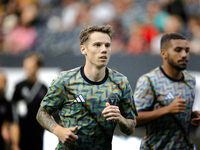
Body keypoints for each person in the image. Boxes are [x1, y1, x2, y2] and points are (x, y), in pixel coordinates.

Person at [36, 24, 137, 150]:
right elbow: (42, 112)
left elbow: (131, 126)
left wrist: (120, 119)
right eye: (97, 45)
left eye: (107, 45)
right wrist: (58, 130)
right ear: (83, 49)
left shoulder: (121, 82)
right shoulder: (65, 81)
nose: (104, 49)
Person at [134, 33, 200, 149]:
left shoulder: (190, 79)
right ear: (164, 53)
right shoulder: (149, 80)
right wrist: (167, 110)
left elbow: (180, 115)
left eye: (187, 50)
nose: (184, 55)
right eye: (178, 50)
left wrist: (192, 117)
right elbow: (133, 119)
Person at [11, 52, 48, 150]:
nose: (27, 69)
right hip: (21, 133)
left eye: (31, 65)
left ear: (38, 67)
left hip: (37, 135)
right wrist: (15, 143)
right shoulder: (19, 87)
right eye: (26, 66)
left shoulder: (43, 89)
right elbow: (13, 115)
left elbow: (46, 114)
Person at [0, 71, 20, 150]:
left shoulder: (9, 104)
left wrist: (15, 145)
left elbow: (14, 125)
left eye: (2, 81)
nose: (0, 84)